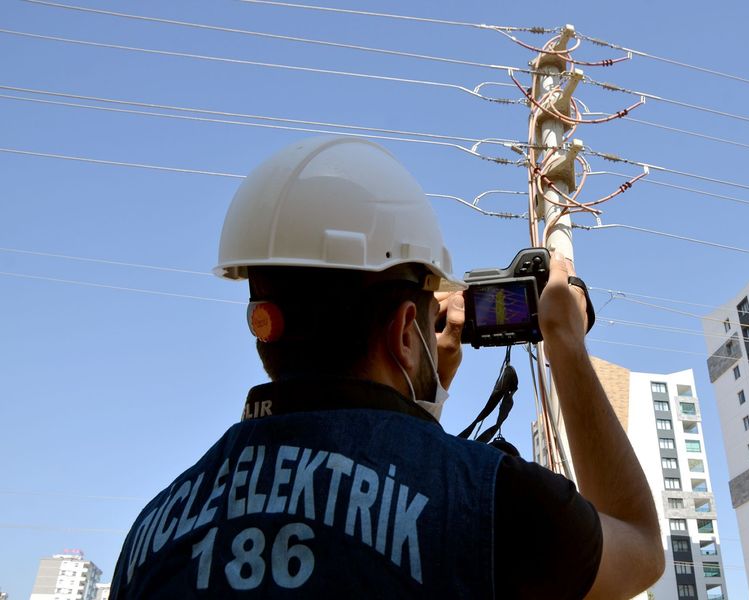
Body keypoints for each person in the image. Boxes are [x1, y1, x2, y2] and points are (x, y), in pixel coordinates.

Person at [110, 137, 663, 598]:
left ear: (263, 320)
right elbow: (639, 546)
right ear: (404, 331)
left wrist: (423, 395)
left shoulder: (150, 535)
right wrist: (565, 342)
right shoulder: (490, 503)